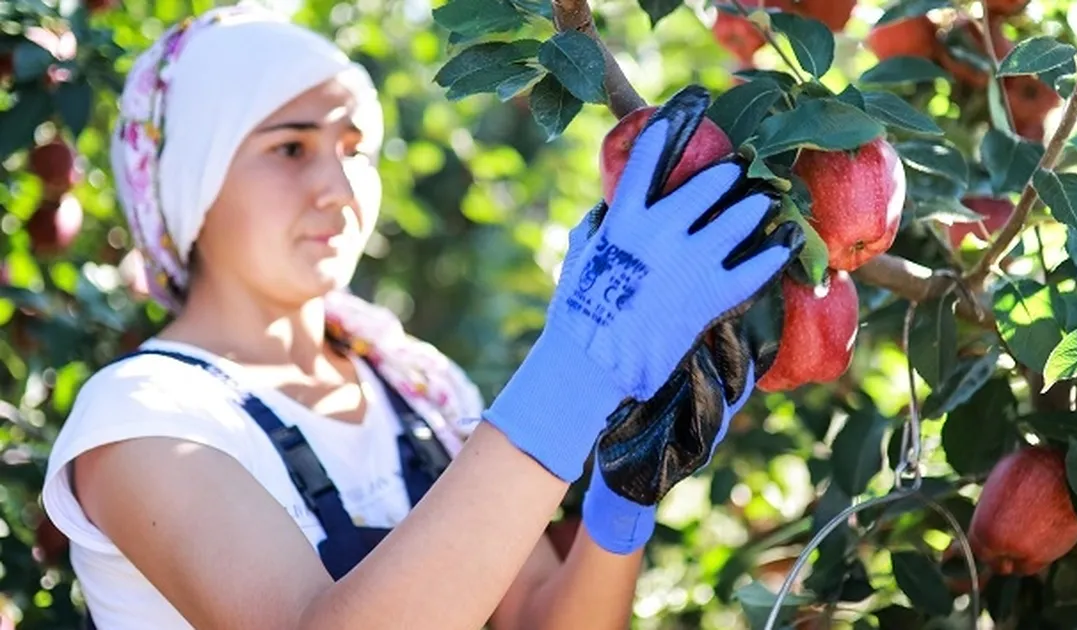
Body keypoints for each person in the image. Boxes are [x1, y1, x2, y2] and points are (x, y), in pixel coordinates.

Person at [38, 4, 798, 629]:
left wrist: (619, 507)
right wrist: (578, 363)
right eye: (291, 148)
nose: (338, 188)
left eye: (355, 148)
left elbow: (539, 621)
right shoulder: (143, 416)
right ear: (190, 180)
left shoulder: (418, 392)